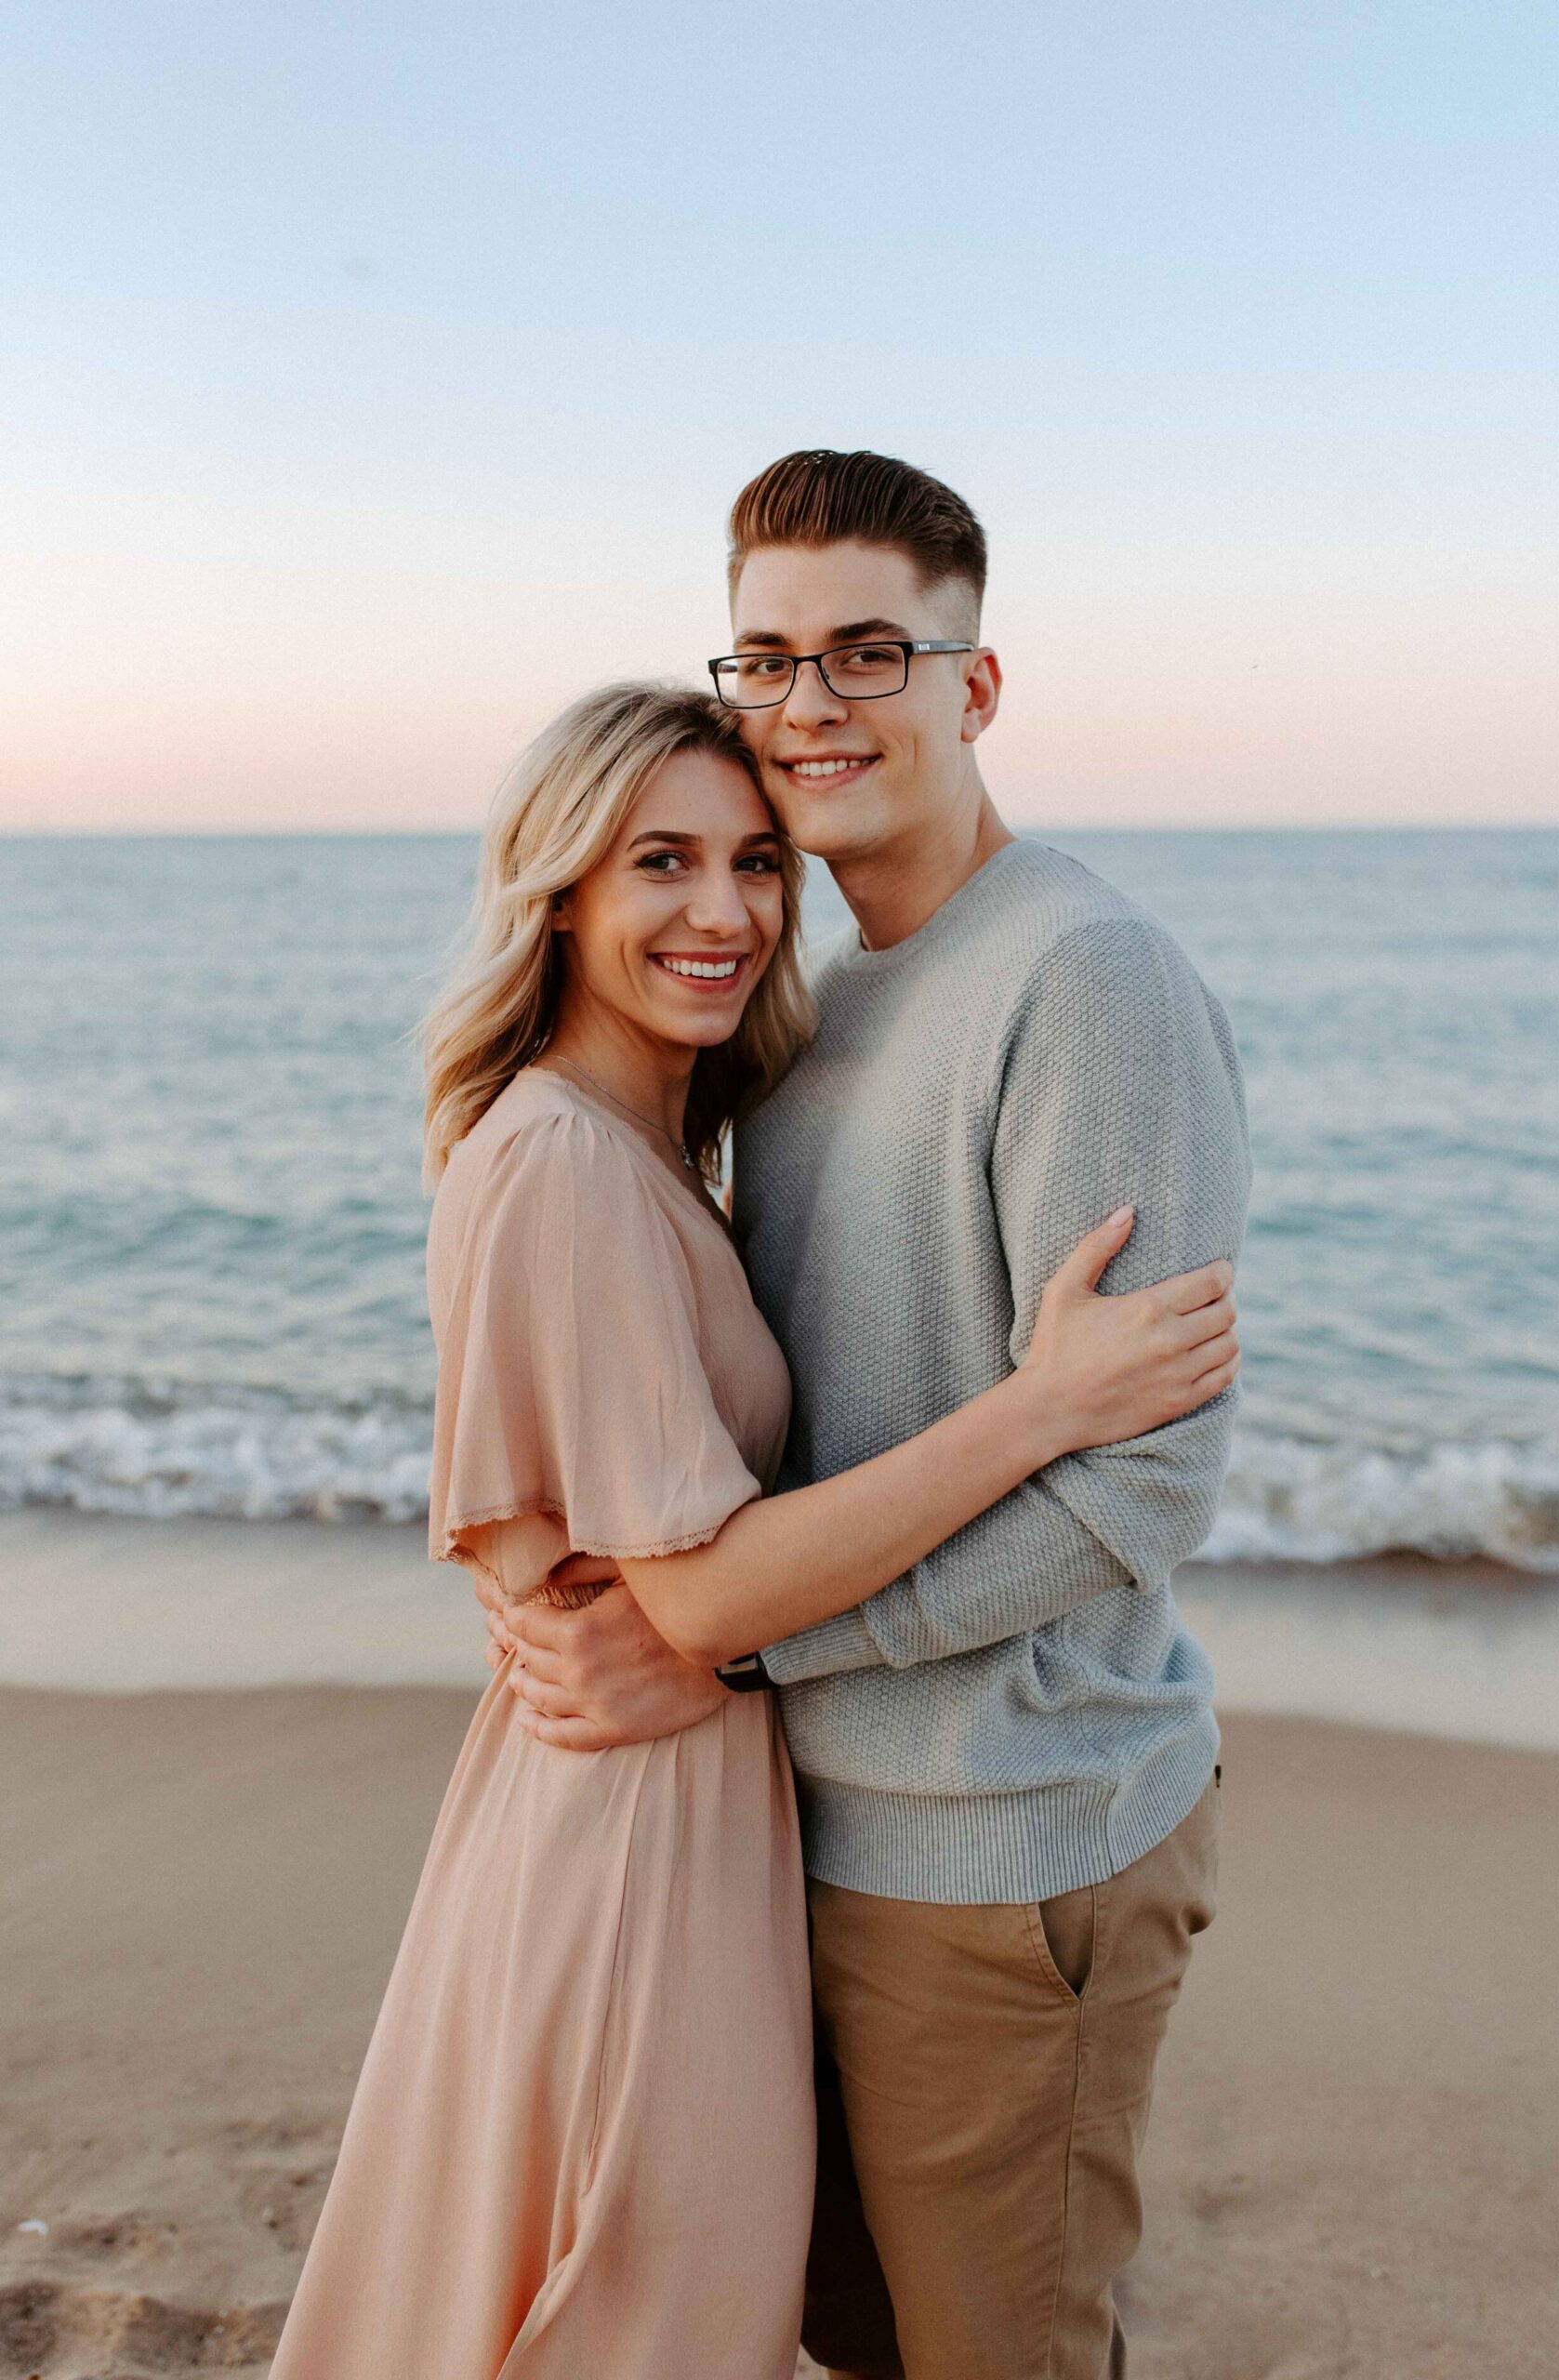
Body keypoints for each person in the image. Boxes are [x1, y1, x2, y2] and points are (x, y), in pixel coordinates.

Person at [269, 679, 1240, 2380]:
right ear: (557, 888)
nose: (722, 914)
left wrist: (698, 1628)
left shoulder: (670, 1138)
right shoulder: (565, 1161)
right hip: (635, 1848)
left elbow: (666, 1576)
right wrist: (1039, 1403)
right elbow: (700, 1592)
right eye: (660, 862)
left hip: (690, 1808)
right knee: (641, 2304)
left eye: (755, 864)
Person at [486, 453, 1253, 2380]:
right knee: (852, 2337)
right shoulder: (802, 1007)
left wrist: (738, 1649)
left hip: (1003, 1847)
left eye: (866, 653)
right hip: (806, 1837)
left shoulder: (1089, 982)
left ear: (972, 688)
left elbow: (1133, 1492)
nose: (809, 703)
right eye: (767, 658)